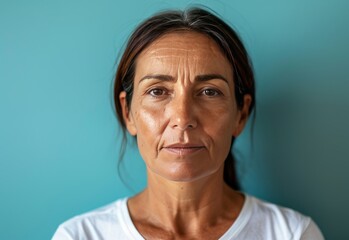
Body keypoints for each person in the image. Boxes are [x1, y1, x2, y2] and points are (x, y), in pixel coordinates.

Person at [52, 7, 324, 240]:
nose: (182, 119)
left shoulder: (292, 234)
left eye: (209, 92)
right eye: (158, 91)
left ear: (240, 114)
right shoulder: (80, 235)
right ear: (128, 113)